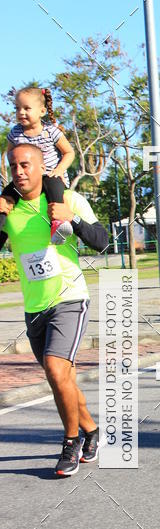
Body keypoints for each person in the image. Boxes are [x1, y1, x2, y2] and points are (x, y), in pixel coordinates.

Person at [0, 144, 109, 476]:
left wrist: (72, 220)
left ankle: (70, 442)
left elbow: (102, 240)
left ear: (41, 166)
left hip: (70, 299)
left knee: (54, 368)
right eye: (13, 166)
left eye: (25, 165)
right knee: (63, 379)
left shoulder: (66, 200)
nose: (19, 171)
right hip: (34, 308)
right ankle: (91, 430)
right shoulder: (8, 209)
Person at [0, 87, 75, 233]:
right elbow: (10, 154)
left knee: (53, 187)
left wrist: (59, 170)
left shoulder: (50, 131)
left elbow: (69, 152)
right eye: (17, 108)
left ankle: (58, 225)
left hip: (50, 176)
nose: (21, 112)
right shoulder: (15, 132)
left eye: (26, 108)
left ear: (42, 111)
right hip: (27, 181)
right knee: (6, 195)